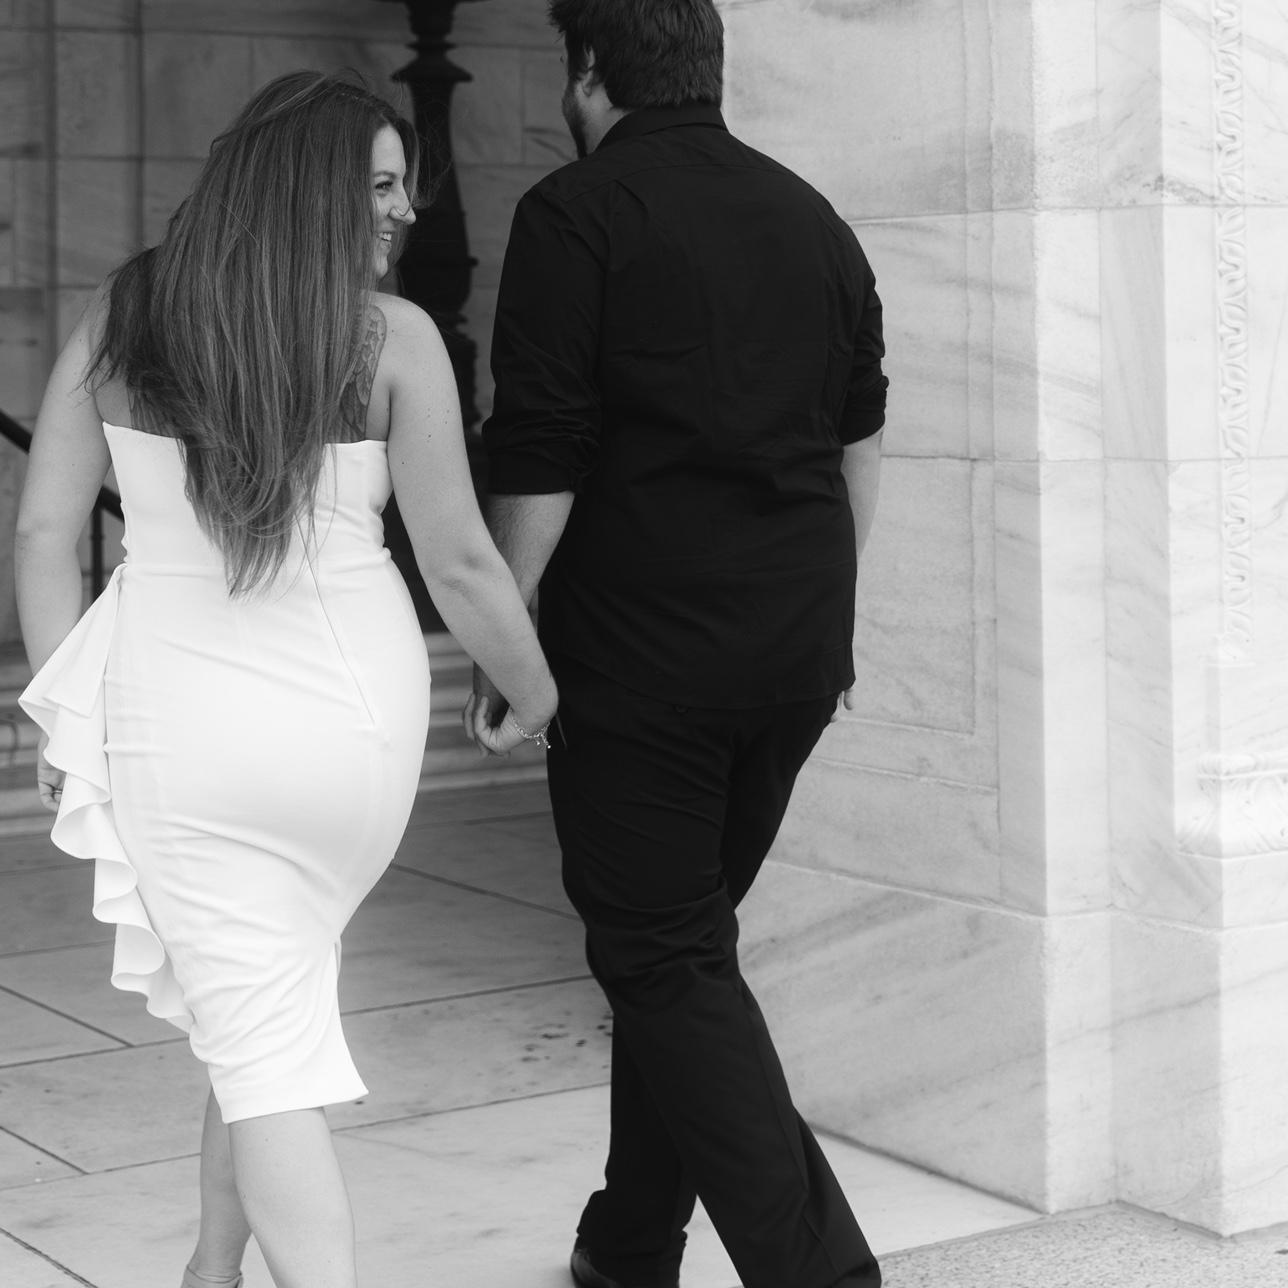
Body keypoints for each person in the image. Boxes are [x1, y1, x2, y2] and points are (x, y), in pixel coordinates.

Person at [15, 71, 557, 1288]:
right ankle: (212, 1267)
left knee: (259, 1039)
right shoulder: (392, 339)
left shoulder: (125, 315)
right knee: (263, 1011)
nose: (406, 207)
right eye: (381, 183)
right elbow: (461, 564)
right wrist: (536, 688)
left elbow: (45, 534)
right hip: (354, 739)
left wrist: (60, 713)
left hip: (184, 738)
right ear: (306, 184)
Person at [466, 2, 888, 1286]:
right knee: (679, 953)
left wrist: (502, 643)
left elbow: (541, 448)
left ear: (591, 70)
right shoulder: (814, 218)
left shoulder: (574, 212)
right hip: (794, 654)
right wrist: (823, 613)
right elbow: (858, 443)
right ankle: (629, 1241)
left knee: (662, 955)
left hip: (640, 664)